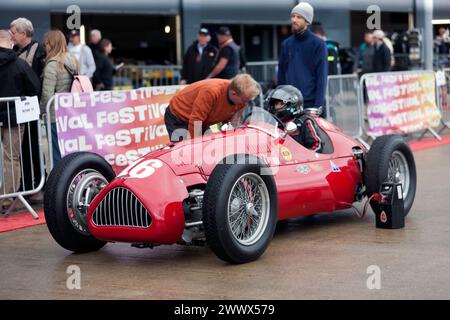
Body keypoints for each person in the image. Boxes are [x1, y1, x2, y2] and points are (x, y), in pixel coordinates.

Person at [0, 30, 40, 210]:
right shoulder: (20, 64)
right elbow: (34, 88)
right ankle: (7, 199)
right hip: (13, 118)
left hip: (10, 116)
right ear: (9, 42)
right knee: (11, 158)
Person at [10, 17, 46, 198]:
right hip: (18, 109)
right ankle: (25, 185)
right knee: (21, 148)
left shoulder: (39, 50)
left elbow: (41, 80)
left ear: (24, 33)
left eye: (14, 31)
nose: (11, 34)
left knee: (34, 145)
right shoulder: (14, 52)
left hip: (32, 107)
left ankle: (39, 183)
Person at [165, 73, 260, 142]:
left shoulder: (242, 98)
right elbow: (196, 121)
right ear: (233, 94)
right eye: (244, 100)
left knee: (211, 144)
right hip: (179, 116)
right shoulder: (211, 91)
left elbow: (233, 123)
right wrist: (196, 145)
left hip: (205, 120)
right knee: (184, 151)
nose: (246, 104)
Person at [277, 2, 328, 116]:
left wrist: (318, 106)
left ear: (307, 21)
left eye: (299, 17)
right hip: (288, 104)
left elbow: (322, 77)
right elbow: (281, 74)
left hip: (310, 106)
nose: (294, 20)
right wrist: (279, 100)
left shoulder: (319, 44)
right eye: (293, 16)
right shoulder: (286, 44)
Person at [40, 30, 79, 166]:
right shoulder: (73, 59)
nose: (45, 47)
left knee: (56, 153)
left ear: (51, 44)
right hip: (72, 113)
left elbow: (47, 95)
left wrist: (41, 111)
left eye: (46, 44)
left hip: (54, 115)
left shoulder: (52, 64)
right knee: (71, 152)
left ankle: (59, 184)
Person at [266, 85, 322, 152]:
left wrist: (303, 159)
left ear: (292, 104)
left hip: (301, 160)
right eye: (276, 104)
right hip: (280, 160)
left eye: (281, 103)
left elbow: (317, 145)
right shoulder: (274, 123)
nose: (277, 107)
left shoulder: (304, 121)